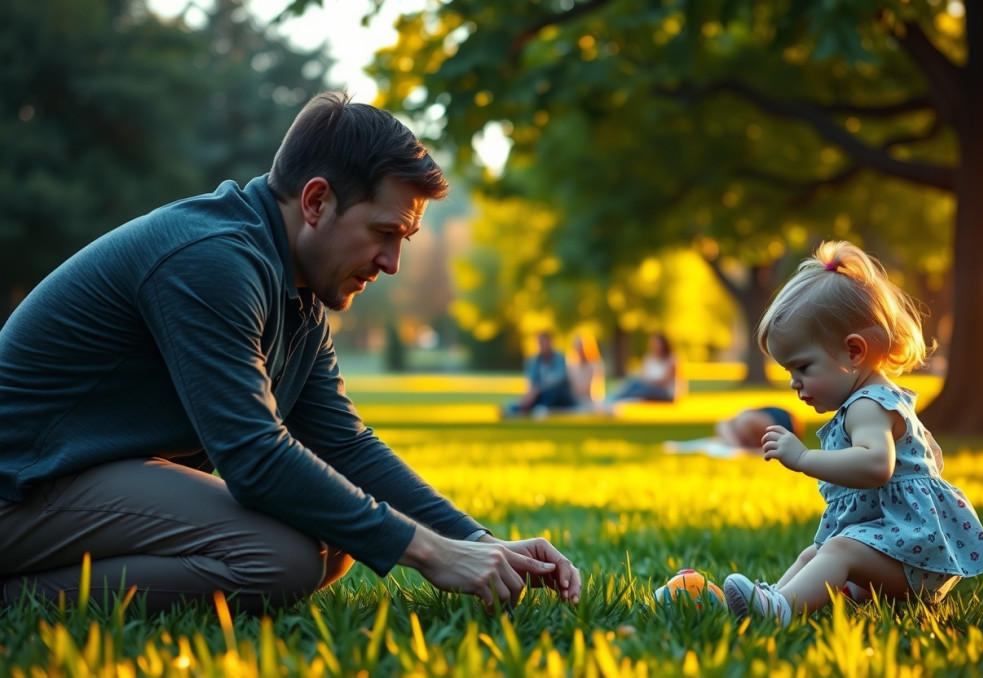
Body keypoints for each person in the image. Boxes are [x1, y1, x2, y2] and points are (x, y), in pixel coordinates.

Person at [0, 91, 581, 615]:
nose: (391, 264)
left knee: (332, 545)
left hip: (71, 479)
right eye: (383, 232)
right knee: (281, 556)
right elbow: (253, 455)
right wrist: (431, 553)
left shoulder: (295, 289)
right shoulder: (211, 260)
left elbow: (344, 443)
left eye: (402, 241)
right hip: (22, 483)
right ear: (316, 201)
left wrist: (476, 541)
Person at [721, 241, 983, 624]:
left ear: (854, 352)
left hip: (917, 557)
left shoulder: (868, 405)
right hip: (903, 548)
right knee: (814, 554)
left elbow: (876, 465)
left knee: (838, 550)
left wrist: (803, 459)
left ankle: (781, 610)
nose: (793, 383)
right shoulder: (869, 399)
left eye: (802, 367)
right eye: (789, 372)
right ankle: (773, 599)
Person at [664, 406, 800, 459]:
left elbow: (724, 424)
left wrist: (737, 448)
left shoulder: (744, 421)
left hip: (784, 421)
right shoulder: (736, 425)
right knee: (724, 431)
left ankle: (735, 445)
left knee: (731, 428)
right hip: (783, 422)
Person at [502, 331, 576, 418]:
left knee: (552, 392)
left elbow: (557, 379)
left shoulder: (560, 358)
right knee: (529, 398)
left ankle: (539, 409)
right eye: (539, 343)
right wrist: (530, 394)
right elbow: (532, 382)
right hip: (539, 394)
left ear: (550, 343)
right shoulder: (533, 361)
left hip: (558, 396)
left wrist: (537, 389)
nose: (541, 346)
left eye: (544, 342)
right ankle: (514, 408)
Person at [607, 332, 680, 407]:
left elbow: (664, 381)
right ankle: (613, 399)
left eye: (657, 343)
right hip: (649, 388)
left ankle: (613, 400)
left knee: (637, 386)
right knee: (633, 382)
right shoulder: (649, 358)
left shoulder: (671, 359)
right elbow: (643, 375)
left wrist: (648, 381)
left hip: (665, 393)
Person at [567, 331, 606, 412]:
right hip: (573, 400)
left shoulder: (595, 365)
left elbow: (595, 390)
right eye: (577, 346)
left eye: (581, 346)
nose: (579, 350)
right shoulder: (570, 365)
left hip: (589, 401)